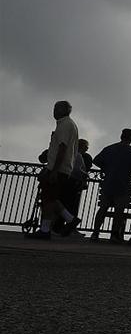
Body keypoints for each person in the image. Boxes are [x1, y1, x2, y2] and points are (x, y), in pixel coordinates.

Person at [27, 101, 81, 240]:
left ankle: (45, 230)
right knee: (51, 197)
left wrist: (54, 170)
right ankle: (69, 219)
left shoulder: (64, 125)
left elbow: (62, 148)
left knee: (48, 199)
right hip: (63, 168)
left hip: (58, 168)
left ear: (62, 110)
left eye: (56, 109)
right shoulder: (68, 125)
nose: (54, 111)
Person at [90, 128, 131, 243]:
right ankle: (114, 235)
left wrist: (105, 168)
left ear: (121, 136)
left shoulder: (109, 148)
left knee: (103, 209)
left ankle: (95, 232)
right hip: (122, 185)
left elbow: (96, 160)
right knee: (119, 211)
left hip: (108, 183)